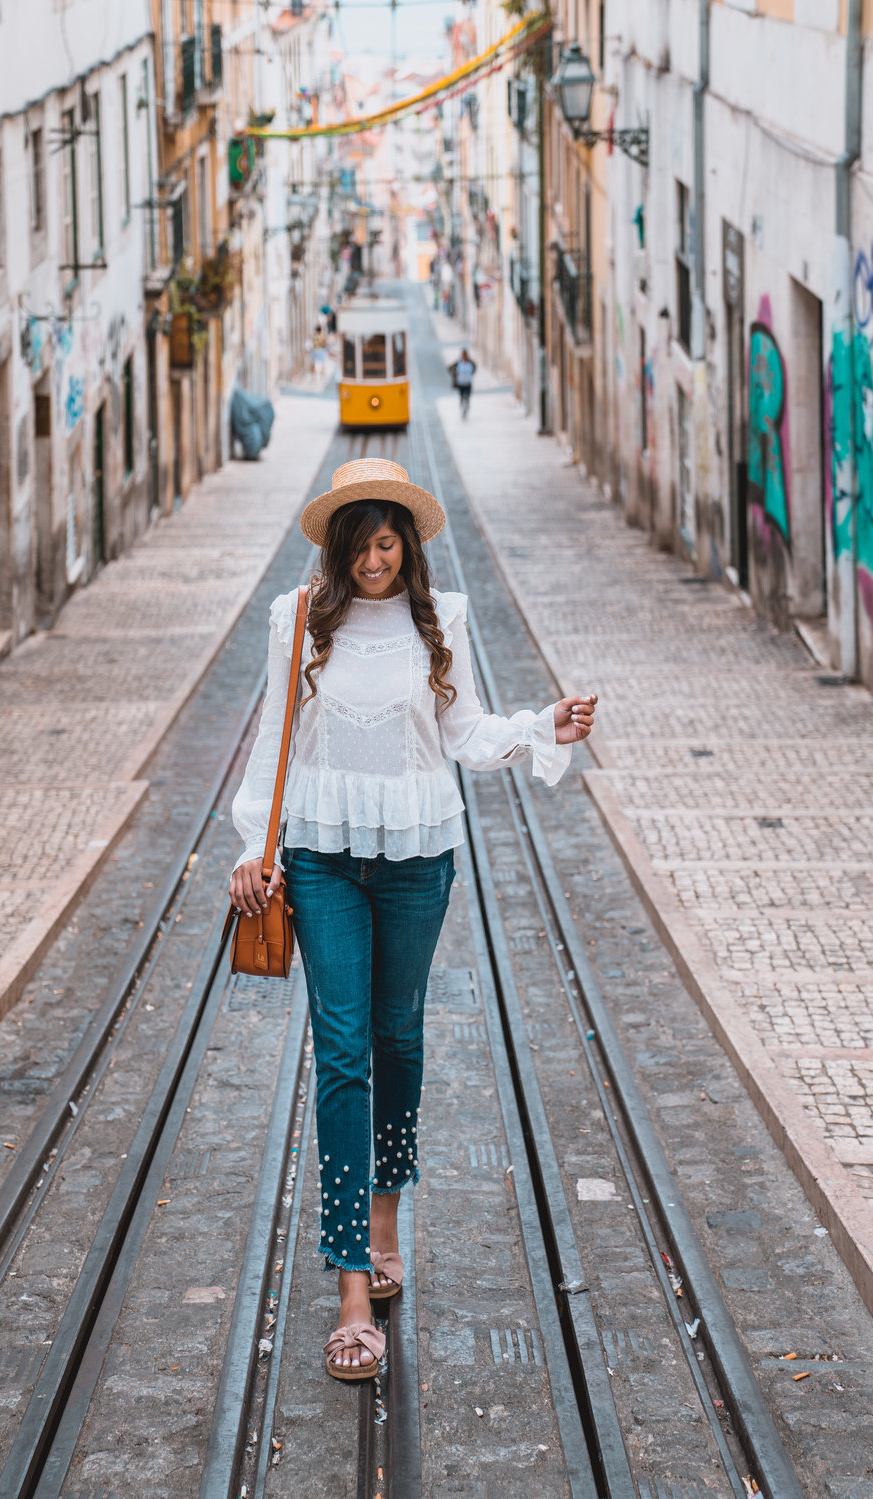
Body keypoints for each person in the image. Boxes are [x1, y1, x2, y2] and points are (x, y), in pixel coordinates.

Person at [228, 458, 597, 1382]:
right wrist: (251, 843)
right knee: (343, 1048)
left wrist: (539, 726)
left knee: (400, 1037)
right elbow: (274, 730)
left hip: (417, 857)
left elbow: (463, 731)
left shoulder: (446, 621)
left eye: (388, 540)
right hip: (317, 857)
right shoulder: (297, 618)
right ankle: (354, 1282)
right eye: (359, 543)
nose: (375, 558)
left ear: (408, 544)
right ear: (337, 546)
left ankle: (387, 1208)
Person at [449, 348, 476, 419]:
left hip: (468, 383)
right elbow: (450, 368)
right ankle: (462, 409)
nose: (464, 356)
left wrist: (470, 375)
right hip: (460, 383)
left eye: (465, 354)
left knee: (467, 397)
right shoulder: (458, 362)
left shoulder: (470, 362)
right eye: (463, 355)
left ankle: (466, 409)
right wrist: (454, 374)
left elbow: (474, 368)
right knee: (461, 398)